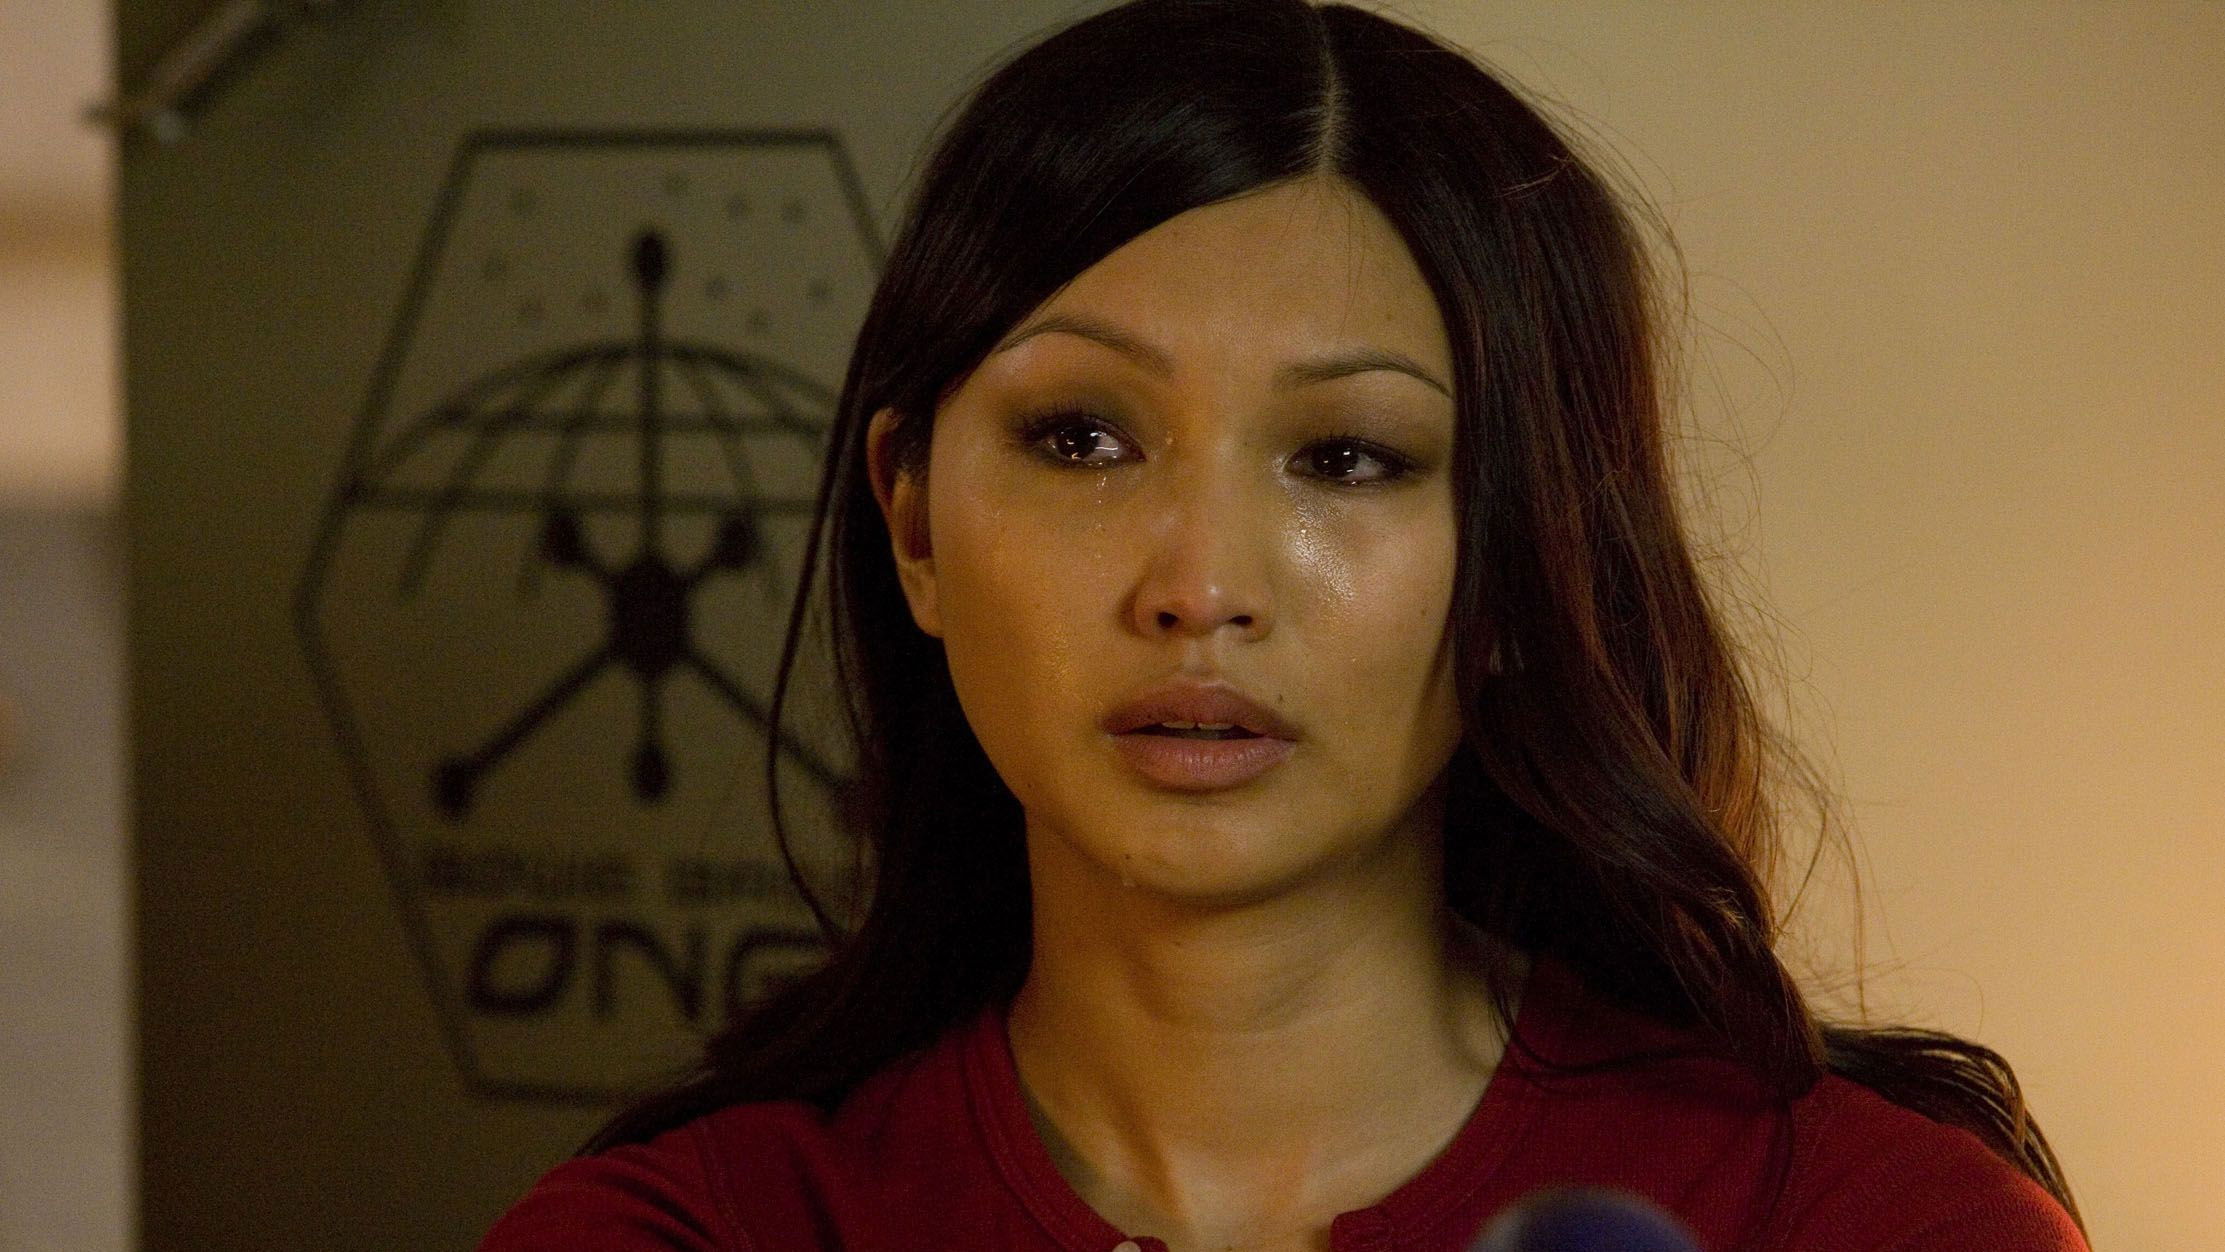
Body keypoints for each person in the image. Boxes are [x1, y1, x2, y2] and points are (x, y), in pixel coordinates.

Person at [480, 1, 2089, 1248]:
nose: (1197, 584)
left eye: (1346, 459)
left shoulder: (1876, 1221)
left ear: (1522, 559)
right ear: (911, 522)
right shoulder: (692, 1229)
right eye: (1080, 439)